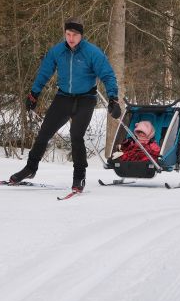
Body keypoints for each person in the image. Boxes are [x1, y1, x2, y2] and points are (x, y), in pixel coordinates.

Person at [9, 17, 121, 192]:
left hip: (86, 98)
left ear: (81, 35)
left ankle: (79, 176)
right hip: (64, 97)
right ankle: (30, 168)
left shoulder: (92, 52)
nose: (71, 38)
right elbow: (44, 72)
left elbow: (107, 75)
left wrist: (113, 98)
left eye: (74, 35)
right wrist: (34, 93)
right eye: (68, 34)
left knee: (76, 135)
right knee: (44, 133)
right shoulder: (57, 51)